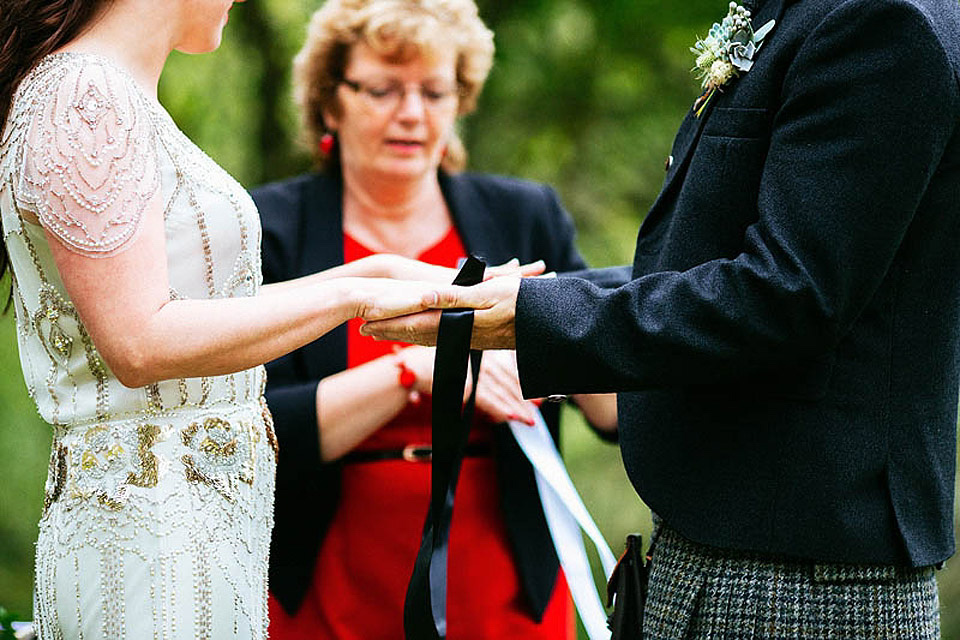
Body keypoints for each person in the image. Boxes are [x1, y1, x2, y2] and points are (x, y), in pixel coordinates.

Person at [364, 0, 960, 636]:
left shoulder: (881, 21)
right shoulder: (806, 12)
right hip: (722, 549)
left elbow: (788, 291)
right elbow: (713, 265)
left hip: (796, 583)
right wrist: (530, 295)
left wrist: (532, 318)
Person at [0, 1, 472, 638]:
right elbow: (139, 341)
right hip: (150, 539)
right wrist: (353, 297)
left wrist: (390, 274)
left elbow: (186, 313)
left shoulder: (108, 91)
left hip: (190, 531)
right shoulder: (86, 93)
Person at [252, 1, 617, 638]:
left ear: (460, 100)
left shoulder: (525, 215)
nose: (413, 114)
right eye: (384, 89)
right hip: (326, 578)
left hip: (505, 581)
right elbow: (256, 432)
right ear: (330, 102)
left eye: (434, 90)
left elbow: (613, 412)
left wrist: (550, 333)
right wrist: (423, 368)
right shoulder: (268, 229)